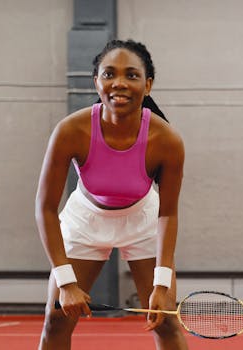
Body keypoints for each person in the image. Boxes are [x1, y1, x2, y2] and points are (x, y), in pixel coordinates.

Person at [35, 39, 189, 350]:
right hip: (85, 221)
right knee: (56, 320)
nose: (119, 83)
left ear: (147, 85)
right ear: (96, 82)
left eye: (131, 75)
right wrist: (66, 282)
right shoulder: (70, 131)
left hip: (144, 220)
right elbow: (46, 208)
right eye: (109, 74)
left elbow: (168, 213)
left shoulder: (167, 140)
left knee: (167, 322)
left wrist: (161, 283)